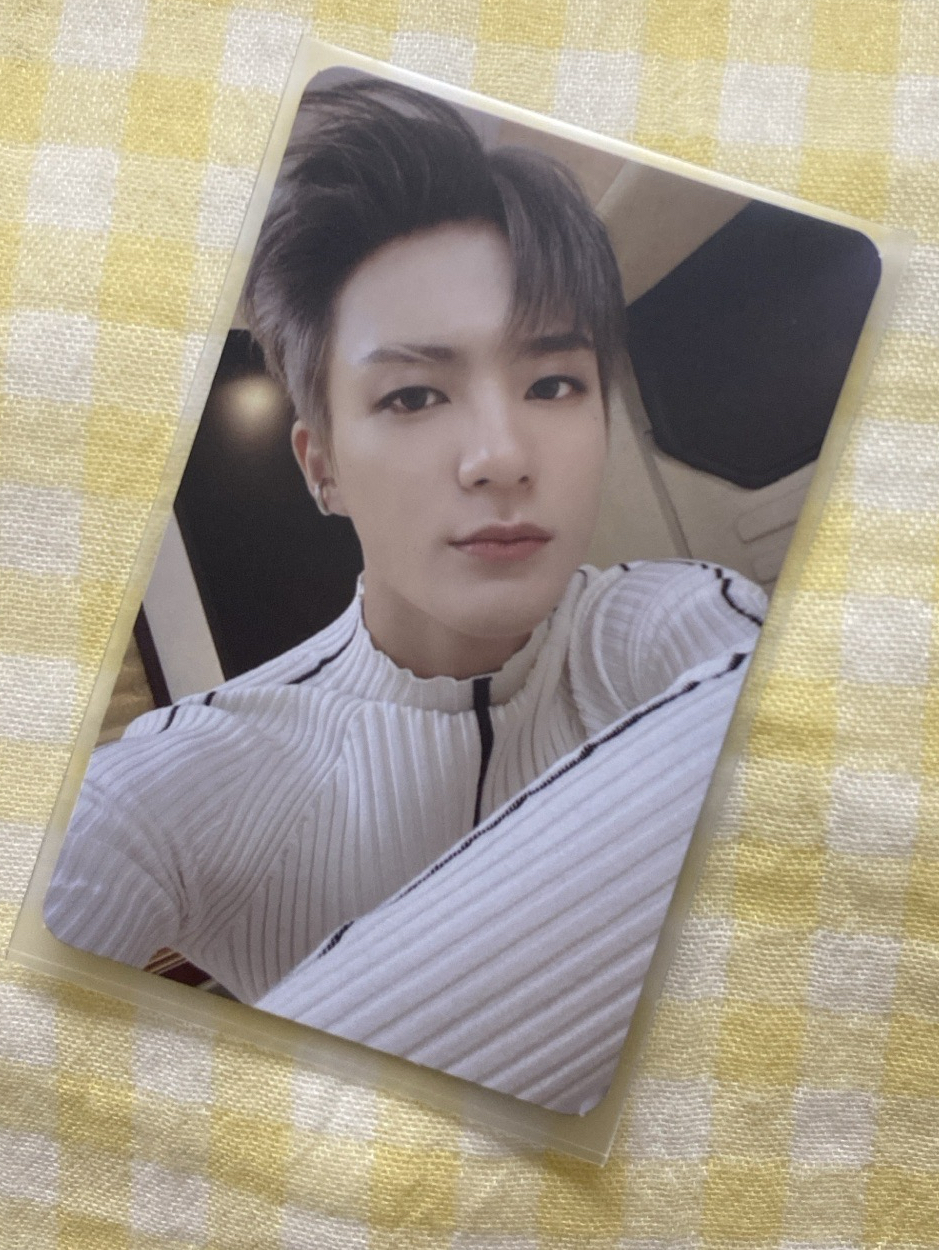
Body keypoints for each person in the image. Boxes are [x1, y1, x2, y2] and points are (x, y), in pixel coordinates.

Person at [44, 77, 765, 1114]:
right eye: (415, 394)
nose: (501, 454)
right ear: (323, 466)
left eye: (552, 384)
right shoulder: (180, 783)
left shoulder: (665, 626)